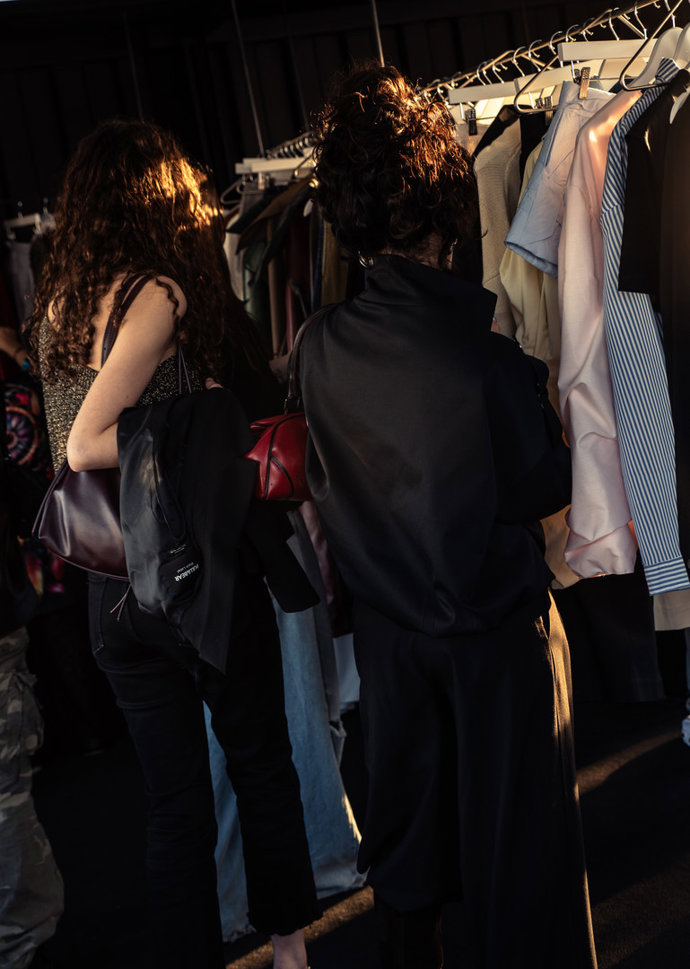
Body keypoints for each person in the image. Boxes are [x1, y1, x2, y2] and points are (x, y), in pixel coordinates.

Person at [299, 64, 598, 969]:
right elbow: (547, 485)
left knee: (411, 882)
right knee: (524, 885)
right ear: (444, 202)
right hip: (494, 647)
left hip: (392, 650)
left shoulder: (318, 347)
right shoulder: (486, 364)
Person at [26, 119, 318, 969]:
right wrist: (207, 414)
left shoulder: (58, 306)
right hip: (189, 575)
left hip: (108, 591)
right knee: (260, 763)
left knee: (172, 799)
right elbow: (85, 442)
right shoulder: (157, 293)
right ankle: (292, 955)